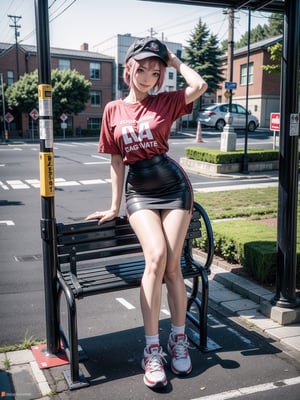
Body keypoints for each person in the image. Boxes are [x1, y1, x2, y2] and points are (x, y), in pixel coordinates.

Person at [86, 36, 207, 389]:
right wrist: (113, 205)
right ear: (129, 69)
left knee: (172, 266)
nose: (148, 76)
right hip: (138, 191)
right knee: (155, 257)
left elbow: (199, 85)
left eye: (156, 72)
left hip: (174, 188)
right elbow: (115, 161)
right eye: (143, 69)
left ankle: (178, 339)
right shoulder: (112, 110)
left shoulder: (166, 102)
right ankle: (152, 349)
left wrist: (173, 59)